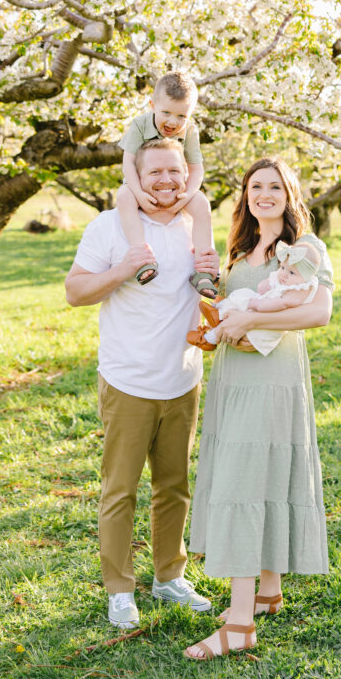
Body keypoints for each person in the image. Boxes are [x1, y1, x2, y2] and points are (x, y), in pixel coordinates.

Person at [65, 138, 219, 629]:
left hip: (182, 379)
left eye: (174, 171)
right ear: (137, 174)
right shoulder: (110, 227)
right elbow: (74, 292)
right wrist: (124, 269)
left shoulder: (197, 226)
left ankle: (169, 576)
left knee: (174, 487)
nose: (166, 182)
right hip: (128, 381)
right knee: (120, 490)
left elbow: (211, 289)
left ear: (186, 174)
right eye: (155, 172)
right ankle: (119, 588)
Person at [184, 157, 333, 661]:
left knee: (245, 482)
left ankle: (240, 624)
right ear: (245, 195)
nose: (263, 194)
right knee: (255, 474)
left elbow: (319, 310)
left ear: (290, 195)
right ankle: (267, 591)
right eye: (255, 186)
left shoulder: (305, 249)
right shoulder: (241, 251)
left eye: (274, 186)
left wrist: (249, 320)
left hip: (273, 379)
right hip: (234, 378)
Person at [117, 71, 218, 298]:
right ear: (152, 105)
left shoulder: (190, 130)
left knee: (202, 205)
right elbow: (128, 164)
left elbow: (196, 168)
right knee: (123, 197)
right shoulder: (140, 124)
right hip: (139, 186)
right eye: (166, 113)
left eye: (182, 116)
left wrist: (188, 193)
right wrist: (139, 195)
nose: (173, 122)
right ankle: (142, 259)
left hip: (175, 188)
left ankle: (203, 270)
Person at [188, 240, 321, 355]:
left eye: (292, 272)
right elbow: (268, 283)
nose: (284, 274)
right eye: (283, 268)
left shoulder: (299, 289)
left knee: (245, 305)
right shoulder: (286, 276)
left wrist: (257, 305)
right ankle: (219, 313)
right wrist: (266, 284)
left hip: (266, 325)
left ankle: (208, 339)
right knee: (243, 293)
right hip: (261, 308)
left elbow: (282, 304)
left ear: (306, 277)